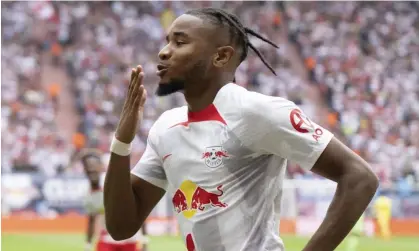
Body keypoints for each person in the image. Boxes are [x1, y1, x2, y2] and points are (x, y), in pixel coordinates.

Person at [104, 8, 379, 251]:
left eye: (180, 41)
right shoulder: (166, 127)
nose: (164, 51)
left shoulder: (256, 111)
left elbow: (359, 177)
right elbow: (121, 226)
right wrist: (122, 142)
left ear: (222, 56)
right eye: (167, 41)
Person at [76, 148, 148, 251]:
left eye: (93, 164)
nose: (91, 168)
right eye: (87, 165)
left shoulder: (114, 183)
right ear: (84, 169)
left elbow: (138, 210)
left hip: (128, 239)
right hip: (106, 239)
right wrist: (88, 244)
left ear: (101, 166)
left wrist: (144, 240)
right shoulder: (88, 195)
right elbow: (91, 220)